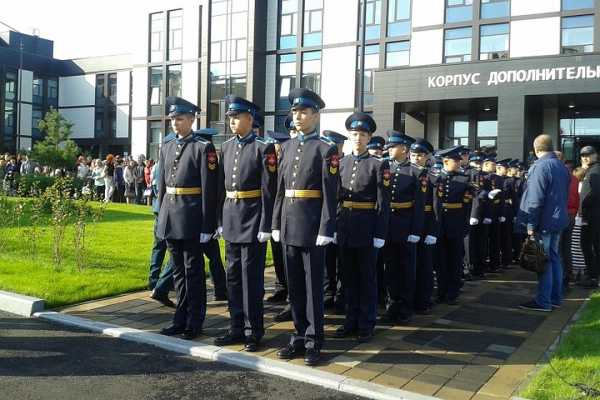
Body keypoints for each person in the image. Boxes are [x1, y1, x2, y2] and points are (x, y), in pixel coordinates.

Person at [272, 88, 338, 366]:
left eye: (304, 112)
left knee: (312, 289)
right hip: (289, 225)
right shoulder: (286, 147)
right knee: (295, 287)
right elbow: (280, 190)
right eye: (295, 112)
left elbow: (330, 194)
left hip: (312, 227)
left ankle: (314, 341)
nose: (298, 117)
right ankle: (298, 337)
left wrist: (326, 228)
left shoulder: (326, 149)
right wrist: (275, 222)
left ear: (315, 115)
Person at [213, 96, 277, 352]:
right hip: (231, 217)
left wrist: (265, 225)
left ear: (250, 119)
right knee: (233, 278)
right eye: (230, 117)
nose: (232, 121)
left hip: (252, 220)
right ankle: (236, 326)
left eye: (237, 117)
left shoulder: (264, 149)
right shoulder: (226, 147)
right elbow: (221, 188)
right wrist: (219, 220)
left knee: (251, 280)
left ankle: (254, 330)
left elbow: (269, 191)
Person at [157, 96, 219, 340]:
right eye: (172, 119)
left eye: (180, 119)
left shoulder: (203, 148)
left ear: (192, 119)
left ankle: (195, 321)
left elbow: (209, 189)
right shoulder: (167, 146)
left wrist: (207, 225)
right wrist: (160, 217)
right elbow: (162, 187)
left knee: (193, 273)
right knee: (178, 274)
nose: (175, 123)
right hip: (171, 217)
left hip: (192, 219)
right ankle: (179, 319)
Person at [333, 113, 389, 343]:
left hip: (366, 228)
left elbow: (383, 203)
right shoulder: (341, 162)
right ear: (349, 136)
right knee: (347, 277)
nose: (358, 138)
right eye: (354, 134)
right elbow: (336, 198)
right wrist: (334, 226)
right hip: (345, 226)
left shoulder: (378, 164)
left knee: (366, 278)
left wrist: (379, 233)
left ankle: (366, 323)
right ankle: (350, 321)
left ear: (369, 137)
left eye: (363, 135)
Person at [517, 134, 569, 312]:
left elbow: (535, 199)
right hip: (558, 220)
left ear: (535, 149)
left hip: (545, 222)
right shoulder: (561, 166)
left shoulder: (540, 166)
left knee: (543, 261)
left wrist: (531, 226)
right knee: (554, 258)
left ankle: (544, 301)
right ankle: (555, 298)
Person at [380, 131, 423, 324]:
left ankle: (405, 308)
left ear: (404, 148)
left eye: (392, 146)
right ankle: (391, 306)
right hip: (388, 225)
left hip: (405, 226)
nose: (388, 149)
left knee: (406, 268)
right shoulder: (385, 167)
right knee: (389, 269)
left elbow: (420, 206)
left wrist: (415, 231)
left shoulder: (416, 172)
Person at [432, 146, 476, 305]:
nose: (459, 163)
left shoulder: (464, 179)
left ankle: (453, 292)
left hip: (456, 223)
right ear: (445, 161)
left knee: (455, 260)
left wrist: (465, 224)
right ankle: (441, 291)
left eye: (459, 160)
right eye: (455, 160)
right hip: (439, 223)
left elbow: (467, 205)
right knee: (440, 260)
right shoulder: (434, 178)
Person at [410, 139, 438, 314]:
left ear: (427, 157)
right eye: (413, 155)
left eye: (420, 155)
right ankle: (411, 298)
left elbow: (436, 207)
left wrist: (433, 231)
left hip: (427, 224)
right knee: (410, 265)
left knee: (425, 266)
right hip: (411, 223)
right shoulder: (407, 173)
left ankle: (424, 300)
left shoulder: (433, 177)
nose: (416, 158)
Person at [264, 130, 292, 308]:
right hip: (274, 214)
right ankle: (281, 287)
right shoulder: (271, 163)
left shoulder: (287, 162)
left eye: (277, 146)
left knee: (287, 256)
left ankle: (290, 292)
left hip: (287, 214)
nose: (275, 150)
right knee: (277, 254)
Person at [321, 130, 348, 311]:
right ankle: (328, 293)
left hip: (343, 218)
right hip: (326, 218)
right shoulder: (324, 163)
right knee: (326, 260)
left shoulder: (346, 164)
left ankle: (341, 295)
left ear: (341, 147)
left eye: (334, 145)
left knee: (342, 262)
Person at [579, 145, 600, 289]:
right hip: (591, 214)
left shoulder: (596, 170)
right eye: (583, 155)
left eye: (589, 154)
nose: (586, 157)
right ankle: (594, 275)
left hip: (593, 215)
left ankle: (593, 276)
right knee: (592, 245)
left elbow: (595, 192)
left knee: (587, 244)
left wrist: (584, 205)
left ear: (595, 155)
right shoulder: (591, 170)